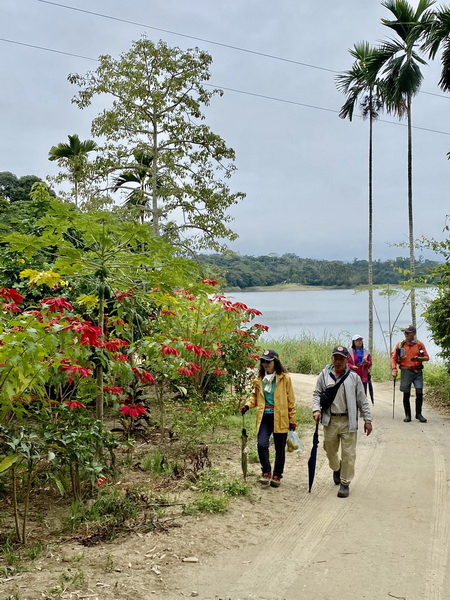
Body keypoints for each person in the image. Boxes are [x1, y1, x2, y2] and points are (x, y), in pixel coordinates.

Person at [312, 346, 373, 498]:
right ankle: (336, 468)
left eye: (341, 358)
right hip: (330, 420)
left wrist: (367, 419)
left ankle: (345, 483)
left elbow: (362, 399)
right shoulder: (324, 375)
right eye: (335, 358)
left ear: (347, 360)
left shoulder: (354, 377)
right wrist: (316, 410)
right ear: (332, 358)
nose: (338, 361)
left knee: (348, 454)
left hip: (348, 421)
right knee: (330, 450)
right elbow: (317, 393)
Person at [241, 349, 296, 488]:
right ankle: (266, 471)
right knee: (261, 444)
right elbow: (254, 396)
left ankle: (277, 475)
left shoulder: (285, 378)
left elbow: (291, 401)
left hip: (280, 417)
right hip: (264, 417)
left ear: (275, 362)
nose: (265, 364)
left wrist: (292, 420)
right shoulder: (259, 379)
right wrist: (247, 406)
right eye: (263, 361)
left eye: (268, 361)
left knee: (280, 449)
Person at [391, 325, 430, 423]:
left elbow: (427, 357)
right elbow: (393, 358)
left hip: (417, 371)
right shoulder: (400, 345)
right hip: (406, 371)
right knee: (406, 393)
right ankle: (408, 415)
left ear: (414, 333)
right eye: (405, 332)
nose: (406, 334)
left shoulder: (419, 344)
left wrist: (418, 358)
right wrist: (394, 369)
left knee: (419, 392)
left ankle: (418, 414)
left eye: (408, 332)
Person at [347, 334, 373, 400]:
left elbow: (370, 364)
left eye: (360, 340)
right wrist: (351, 366)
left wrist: (366, 362)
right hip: (352, 376)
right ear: (353, 342)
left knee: (363, 396)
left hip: (363, 377)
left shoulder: (366, 352)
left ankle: (362, 409)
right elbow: (345, 363)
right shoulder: (349, 352)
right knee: (352, 395)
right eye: (357, 340)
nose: (359, 342)